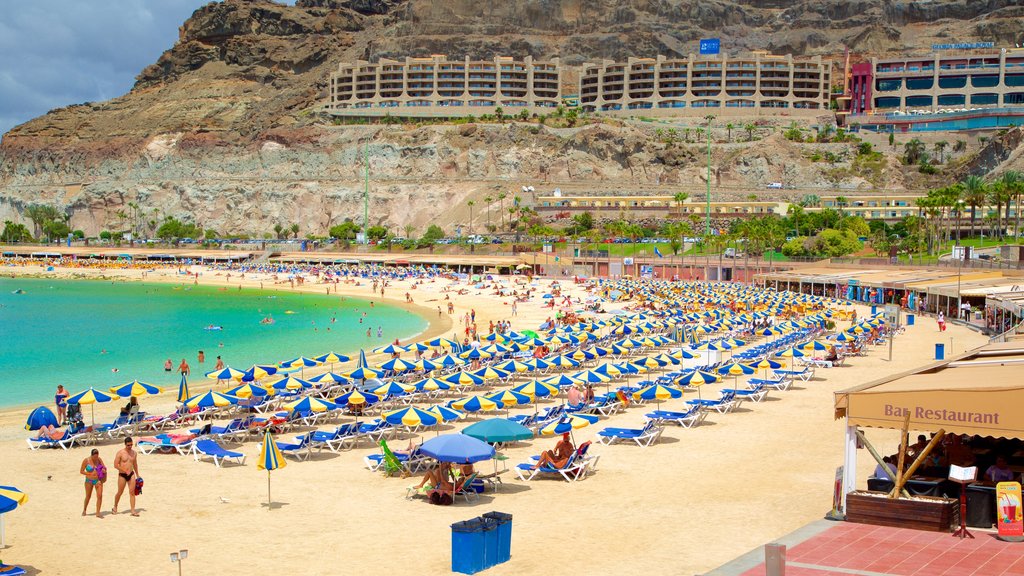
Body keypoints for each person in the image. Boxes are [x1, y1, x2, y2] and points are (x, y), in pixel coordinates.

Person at [113, 436, 140, 516]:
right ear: (125, 444)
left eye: (131, 445)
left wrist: (138, 474)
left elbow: (135, 464)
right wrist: (124, 470)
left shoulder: (134, 453)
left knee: (132, 492)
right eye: (128, 445)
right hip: (122, 475)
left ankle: (132, 510)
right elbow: (115, 465)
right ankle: (115, 506)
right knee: (120, 492)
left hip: (131, 474)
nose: (130, 446)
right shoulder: (120, 453)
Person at [80, 448, 106, 517]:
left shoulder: (99, 459)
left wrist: (103, 470)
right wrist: (89, 474)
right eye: (94, 457)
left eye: (97, 456)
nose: (96, 458)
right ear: (91, 455)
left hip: (98, 480)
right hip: (89, 480)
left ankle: (98, 512)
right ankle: (84, 509)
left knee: (100, 496)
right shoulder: (86, 460)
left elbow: (104, 467)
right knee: (88, 496)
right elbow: (81, 471)